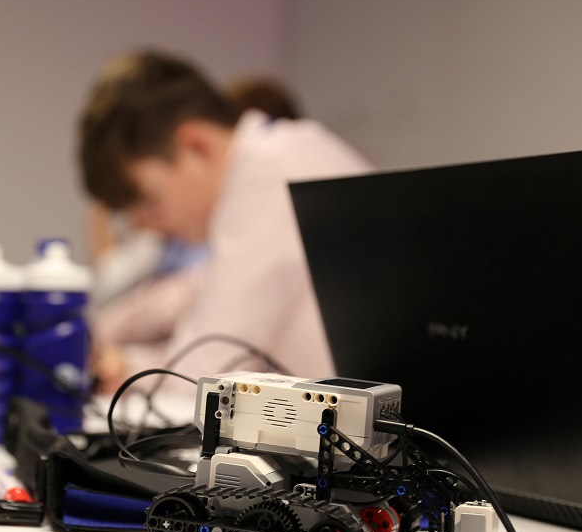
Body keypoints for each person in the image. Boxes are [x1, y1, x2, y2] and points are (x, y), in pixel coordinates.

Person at [78, 49, 371, 394]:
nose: (145, 226)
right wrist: (126, 365)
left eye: (148, 201)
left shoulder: (267, 173)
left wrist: (125, 368)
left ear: (196, 146)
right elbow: (208, 355)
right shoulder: (289, 150)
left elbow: (209, 373)